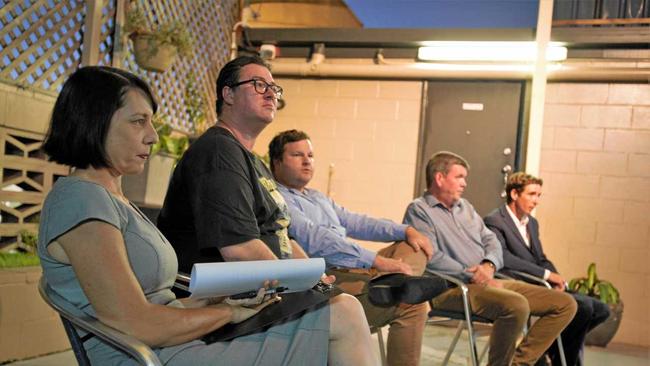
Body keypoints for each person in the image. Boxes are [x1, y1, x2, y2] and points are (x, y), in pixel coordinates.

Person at [38, 65, 374, 366]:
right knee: (343, 316)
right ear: (94, 123)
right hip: (155, 355)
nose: (153, 136)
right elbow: (137, 323)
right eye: (138, 121)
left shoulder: (114, 200)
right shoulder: (80, 199)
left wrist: (217, 303)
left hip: (176, 342)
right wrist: (225, 312)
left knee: (343, 313)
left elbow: (158, 305)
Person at [269, 129, 445, 366]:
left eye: (310, 155)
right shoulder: (278, 198)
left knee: (413, 245)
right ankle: (398, 285)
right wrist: (376, 260)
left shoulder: (317, 197)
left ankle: (396, 282)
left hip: (357, 270)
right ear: (276, 162)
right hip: (328, 278)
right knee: (414, 306)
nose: (307, 160)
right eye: (297, 155)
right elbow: (315, 239)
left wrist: (405, 230)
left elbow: (356, 221)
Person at [403, 151, 577, 366]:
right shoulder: (420, 210)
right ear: (439, 178)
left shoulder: (466, 208)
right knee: (517, 305)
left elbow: (491, 240)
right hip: (451, 287)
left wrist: (489, 265)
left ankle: (519, 363)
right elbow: (431, 256)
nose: (464, 183)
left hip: (489, 280)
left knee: (565, 304)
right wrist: (472, 275)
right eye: (459, 177)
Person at [484, 172, 610, 366]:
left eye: (539, 195)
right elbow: (505, 259)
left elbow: (540, 258)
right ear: (515, 194)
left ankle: (545, 351)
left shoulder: (532, 223)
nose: (536, 201)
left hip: (541, 283)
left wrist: (556, 278)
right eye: (532, 194)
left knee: (601, 309)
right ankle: (562, 361)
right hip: (518, 283)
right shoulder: (495, 220)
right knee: (582, 308)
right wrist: (546, 275)